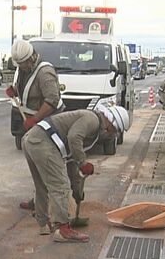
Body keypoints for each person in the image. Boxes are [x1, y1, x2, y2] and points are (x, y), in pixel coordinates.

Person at [22, 102, 129, 242]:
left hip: (32, 139)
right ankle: (63, 230)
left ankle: (44, 224)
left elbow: (71, 160)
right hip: (43, 142)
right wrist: (83, 162)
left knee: (42, 184)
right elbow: (74, 138)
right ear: (111, 121)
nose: (112, 134)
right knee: (60, 186)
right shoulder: (93, 120)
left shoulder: (91, 123)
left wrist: (77, 188)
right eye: (115, 130)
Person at [6, 39, 64, 211]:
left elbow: (52, 100)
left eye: (23, 63)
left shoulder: (45, 72)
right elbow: (26, 89)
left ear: (31, 58)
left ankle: (49, 205)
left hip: (49, 124)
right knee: (36, 165)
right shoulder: (24, 70)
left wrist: (35, 119)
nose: (21, 67)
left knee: (46, 164)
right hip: (36, 124)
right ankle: (39, 200)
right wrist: (14, 91)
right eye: (19, 64)